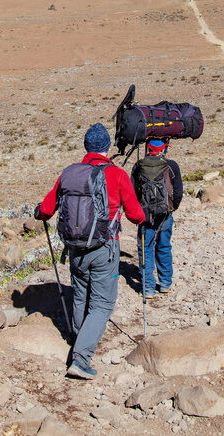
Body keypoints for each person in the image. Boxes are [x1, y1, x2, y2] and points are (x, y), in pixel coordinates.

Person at [36, 123, 145, 380]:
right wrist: (144, 217)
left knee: (80, 294)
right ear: (106, 148)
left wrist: (38, 212)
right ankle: (81, 358)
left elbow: (46, 208)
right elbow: (135, 215)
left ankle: (78, 338)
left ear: (86, 147)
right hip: (104, 248)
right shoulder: (117, 175)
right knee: (102, 303)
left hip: (75, 247)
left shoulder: (70, 173)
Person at [132, 139, 183, 298]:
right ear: (163, 148)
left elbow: (133, 191)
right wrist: (172, 207)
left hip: (145, 215)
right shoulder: (171, 165)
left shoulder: (138, 166)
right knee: (164, 246)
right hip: (165, 214)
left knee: (145, 248)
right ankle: (165, 283)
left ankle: (148, 288)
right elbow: (178, 191)